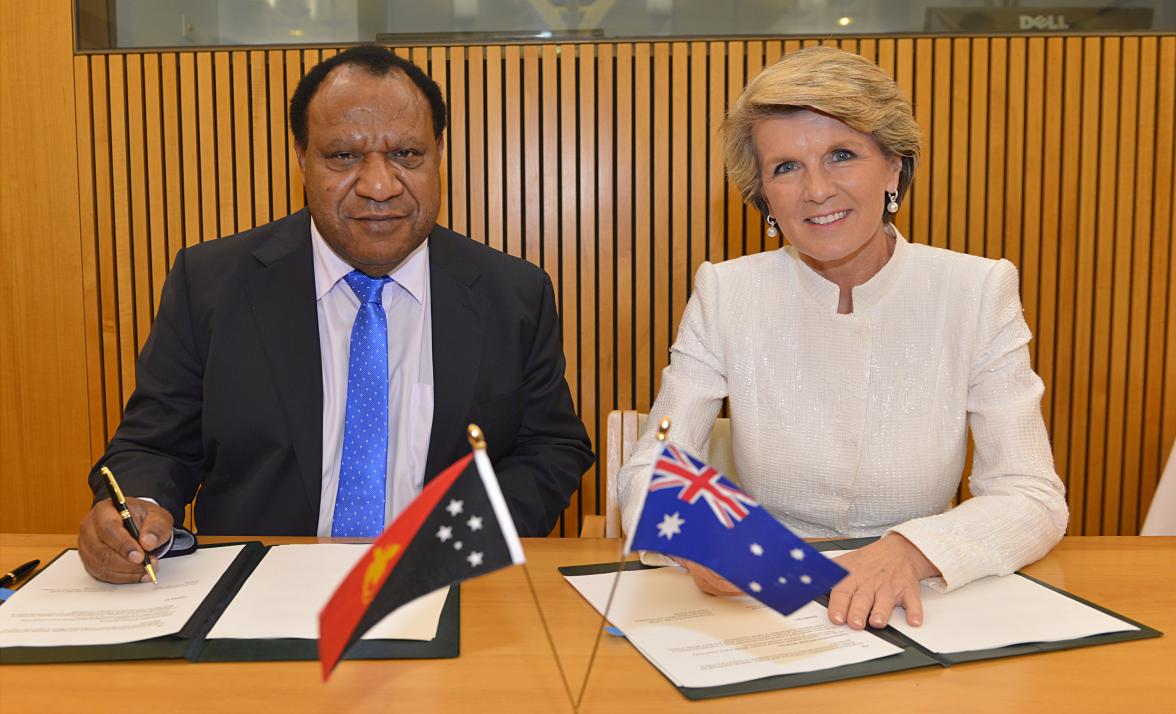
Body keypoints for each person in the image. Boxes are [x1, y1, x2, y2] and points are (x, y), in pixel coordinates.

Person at [79, 45, 594, 583]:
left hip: (450, 586)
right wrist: (134, 508)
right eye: (345, 156)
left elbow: (551, 448)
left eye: (407, 155)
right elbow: (154, 444)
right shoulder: (209, 283)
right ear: (301, 156)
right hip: (258, 591)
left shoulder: (514, 293)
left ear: (439, 152)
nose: (379, 185)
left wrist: (465, 535)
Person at [617, 46, 1067, 630]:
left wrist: (909, 550)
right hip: (765, 604)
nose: (817, 190)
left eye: (842, 155)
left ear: (894, 168)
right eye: (785, 168)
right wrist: (700, 541)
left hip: (927, 598)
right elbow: (654, 465)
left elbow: (1030, 494)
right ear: (765, 197)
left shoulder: (977, 289)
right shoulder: (727, 291)